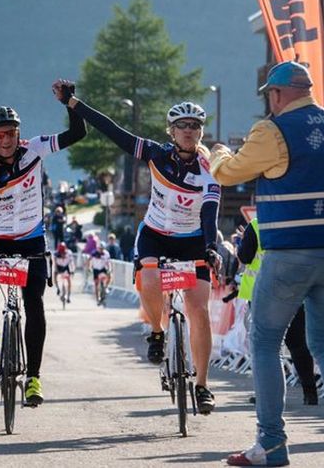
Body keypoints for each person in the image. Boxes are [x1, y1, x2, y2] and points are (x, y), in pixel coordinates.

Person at [211, 61, 324, 467]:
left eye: (269, 96)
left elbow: (229, 174)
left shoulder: (272, 130)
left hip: (290, 253)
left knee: (263, 342)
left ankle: (272, 444)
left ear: (277, 95)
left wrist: (219, 153)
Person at [61, 79, 221, 415]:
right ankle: (158, 331)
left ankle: (203, 385)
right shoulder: (155, 153)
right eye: (182, 126)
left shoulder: (210, 172)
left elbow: (210, 214)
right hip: (156, 234)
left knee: (199, 310)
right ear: (171, 131)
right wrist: (75, 104)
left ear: (201, 133)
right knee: (149, 280)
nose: (189, 131)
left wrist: (210, 247)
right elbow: (112, 130)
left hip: (193, 240)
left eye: (194, 126)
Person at [0, 96, 86, 407]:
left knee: (34, 303)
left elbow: (78, 134)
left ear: (18, 134)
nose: (6, 141)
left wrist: (70, 104)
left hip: (32, 241)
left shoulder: (35, 149)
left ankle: (34, 377)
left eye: (10, 134)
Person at [236, 217, 318, 406]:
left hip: (262, 293)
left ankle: (267, 394)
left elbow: (245, 257)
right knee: (297, 344)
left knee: (266, 346)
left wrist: (243, 242)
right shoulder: (298, 222)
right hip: (293, 291)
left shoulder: (256, 224)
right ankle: (310, 392)